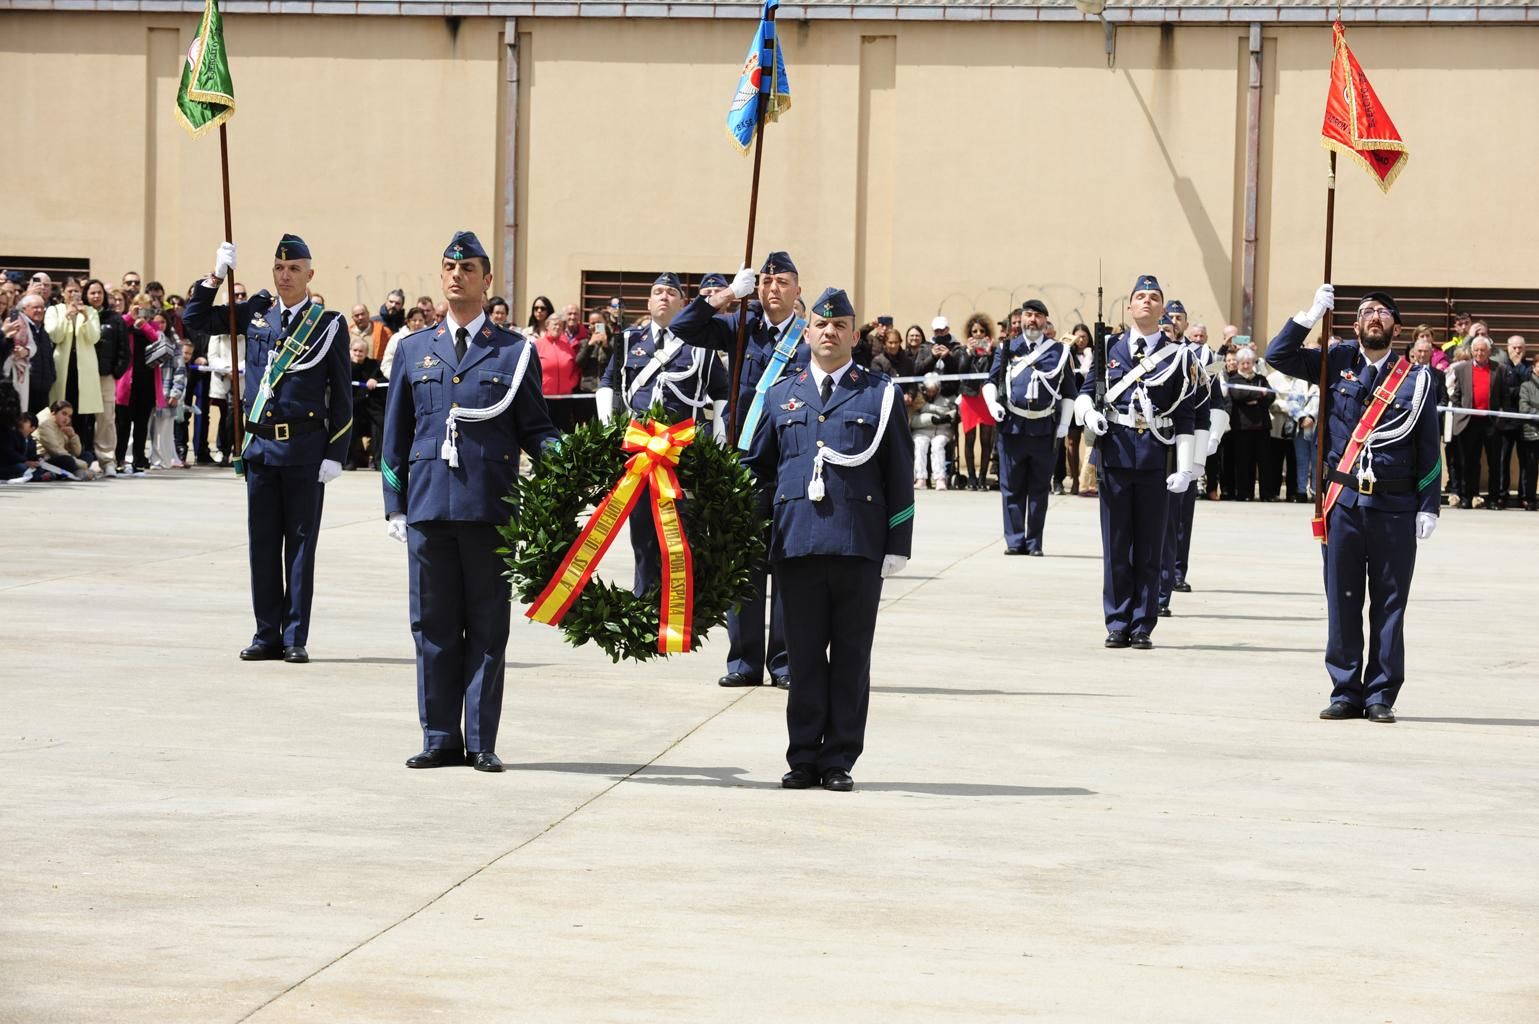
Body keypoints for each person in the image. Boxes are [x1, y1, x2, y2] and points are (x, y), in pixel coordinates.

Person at [381, 231, 560, 773]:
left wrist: (575, 460)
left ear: (487, 281)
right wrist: (395, 503)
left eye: (468, 268)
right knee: (432, 626)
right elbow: (396, 433)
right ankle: (439, 737)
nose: (456, 275)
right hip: (430, 506)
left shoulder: (515, 351)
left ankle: (480, 739)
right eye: (448, 267)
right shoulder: (414, 349)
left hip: (488, 507)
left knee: (486, 628)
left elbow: (536, 429)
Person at [743, 287, 914, 793]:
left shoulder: (880, 394)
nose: (829, 332)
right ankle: (802, 758)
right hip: (795, 544)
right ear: (808, 331)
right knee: (802, 658)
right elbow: (760, 472)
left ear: (853, 335)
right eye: (820, 324)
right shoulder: (779, 394)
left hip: (857, 544)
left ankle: (839, 758)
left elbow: (899, 473)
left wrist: (897, 542)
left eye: (839, 325)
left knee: (851, 657)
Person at [1267, 286, 1440, 722]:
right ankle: (1345, 689)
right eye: (1366, 312)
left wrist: (1429, 504)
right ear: (1355, 326)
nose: (1374, 317)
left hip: (1395, 504)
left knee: (1389, 602)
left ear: (1396, 327)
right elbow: (1278, 356)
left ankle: (1381, 692)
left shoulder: (1417, 380)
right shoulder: (1336, 362)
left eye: (1383, 312)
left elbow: (1427, 446)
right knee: (1342, 599)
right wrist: (1307, 316)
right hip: (1342, 503)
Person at [183, 233, 353, 664]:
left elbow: (342, 393)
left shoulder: (328, 323)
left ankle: (295, 636)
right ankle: (266, 634)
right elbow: (196, 321)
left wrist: (336, 452)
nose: (285, 276)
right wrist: (215, 275)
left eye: (294, 268)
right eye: (279, 268)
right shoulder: (257, 314)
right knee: (262, 545)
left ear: (309, 274)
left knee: (299, 547)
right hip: (260, 449)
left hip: (305, 451)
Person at [670, 251, 811, 690]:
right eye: (766, 282)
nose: (772, 289)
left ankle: (784, 662)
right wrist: (729, 295)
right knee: (743, 563)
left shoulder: (809, 341)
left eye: (782, 282)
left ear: (797, 291)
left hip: (791, 465)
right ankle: (745, 661)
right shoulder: (741, 326)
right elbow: (682, 327)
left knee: (787, 566)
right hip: (745, 463)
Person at [1074, 275, 1201, 650]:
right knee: (1116, 545)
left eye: (1154, 298)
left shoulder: (1178, 355)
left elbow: (1186, 415)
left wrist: (1185, 467)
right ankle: (1116, 621)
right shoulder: (1109, 347)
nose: (1147, 302)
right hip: (1114, 454)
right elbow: (1084, 392)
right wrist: (1087, 415)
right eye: (1140, 297)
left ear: (1163, 309)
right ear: (1129, 306)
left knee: (1149, 546)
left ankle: (1143, 623)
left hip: (1154, 459)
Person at [595, 271, 729, 595]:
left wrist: (718, 432)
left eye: (672, 292)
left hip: (680, 457)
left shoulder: (702, 346)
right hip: (639, 456)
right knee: (642, 537)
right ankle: (644, 603)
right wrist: (607, 427)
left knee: (678, 539)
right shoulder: (629, 340)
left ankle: (677, 610)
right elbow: (607, 383)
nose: (664, 296)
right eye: (658, 291)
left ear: (684, 303)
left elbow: (722, 393)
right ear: (649, 300)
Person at [984, 298, 1073, 556]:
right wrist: (992, 404)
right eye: (1028, 315)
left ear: (1045, 321)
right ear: (1020, 319)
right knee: (1011, 487)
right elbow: (991, 381)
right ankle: (1014, 541)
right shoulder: (1007, 347)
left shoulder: (1059, 351)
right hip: (1012, 426)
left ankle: (1034, 543)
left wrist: (1065, 423)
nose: (1032, 320)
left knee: (1038, 489)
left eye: (1037, 316)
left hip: (1044, 428)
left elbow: (1069, 392)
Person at [44, 280, 103, 465]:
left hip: (84, 368)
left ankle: (81, 452)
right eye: (70, 291)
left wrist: (84, 317)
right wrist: (67, 316)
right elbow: (55, 335)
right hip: (63, 366)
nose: (73, 295)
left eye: (77, 291)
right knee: (61, 408)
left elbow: (94, 337)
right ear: (63, 292)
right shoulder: (54, 310)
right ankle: (59, 452)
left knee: (82, 413)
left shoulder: (91, 311)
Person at [1447, 336, 1506, 510]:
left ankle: (1494, 499)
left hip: (1491, 423)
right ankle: (1467, 496)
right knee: (1469, 462)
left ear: (1489, 351)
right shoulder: (1462, 369)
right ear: (1472, 351)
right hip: (1468, 422)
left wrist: (1500, 417)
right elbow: (1456, 395)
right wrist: (1459, 414)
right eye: (1476, 350)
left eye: (1483, 350)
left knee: (1495, 462)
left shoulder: (1499, 369)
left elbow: (1505, 396)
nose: (1479, 353)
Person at [83, 279, 128, 475]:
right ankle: (87, 457)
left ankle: (107, 459)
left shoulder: (114, 318)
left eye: (99, 293)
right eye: (92, 293)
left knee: (106, 419)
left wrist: (115, 371)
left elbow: (124, 350)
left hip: (105, 375)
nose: (95, 296)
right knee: (83, 419)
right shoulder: (80, 315)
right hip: (83, 375)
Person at [957, 315, 995, 491]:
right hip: (970, 398)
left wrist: (989, 354)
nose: (978, 334)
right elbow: (961, 371)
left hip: (986, 399)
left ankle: (982, 478)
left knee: (986, 440)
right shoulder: (963, 351)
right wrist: (969, 353)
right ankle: (971, 478)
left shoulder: (992, 352)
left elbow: (994, 372)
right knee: (970, 439)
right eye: (974, 332)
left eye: (981, 331)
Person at [1496, 336, 1532, 508]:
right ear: (1507, 348)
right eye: (1514, 347)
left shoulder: (1529, 368)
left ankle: (1525, 496)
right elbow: (1504, 391)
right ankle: (1501, 494)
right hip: (1506, 420)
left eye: (1520, 348)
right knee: (1503, 459)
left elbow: (1528, 389)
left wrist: (1514, 389)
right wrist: (1515, 391)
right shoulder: (1501, 367)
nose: (1517, 351)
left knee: (1526, 460)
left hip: (1525, 421)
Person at [347, 336, 386, 469]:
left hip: (371, 407)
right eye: (355, 350)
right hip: (353, 406)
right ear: (350, 351)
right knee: (349, 424)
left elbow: (383, 378)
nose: (358, 353)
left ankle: (378, 461)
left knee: (380, 424)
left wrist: (375, 380)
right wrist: (354, 364)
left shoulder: (374, 364)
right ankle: (350, 461)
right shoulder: (345, 365)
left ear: (366, 352)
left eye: (361, 351)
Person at [1518, 366, 1539, 511]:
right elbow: (1524, 408)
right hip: (1532, 433)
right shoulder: (1526, 386)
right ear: (1534, 367)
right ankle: (1528, 499)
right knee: (1530, 468)